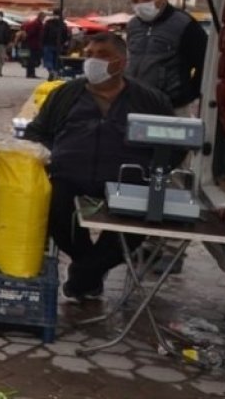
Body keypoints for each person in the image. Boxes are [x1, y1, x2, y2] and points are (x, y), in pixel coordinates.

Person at [23, 33, 174, 301]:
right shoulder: (65, 94)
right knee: (57, 213)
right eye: (89, 54)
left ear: (121, 62)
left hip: (128, 180)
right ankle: (88, 271)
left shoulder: (150, 100)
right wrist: (47, 154)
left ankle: (84, 274)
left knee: (137, 223)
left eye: (102, 55)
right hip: (68, 175)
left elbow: (173, 142)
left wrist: (155, 168)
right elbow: (36, 131)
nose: (92, 61)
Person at [124, 0, 208, 114]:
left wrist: (187, 95)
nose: (141, 3)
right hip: (136, 104)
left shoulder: (184, 24)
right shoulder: (133, 26)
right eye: (135, 0)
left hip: (172, 107)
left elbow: (205, 63)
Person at [42, 9, 70, 80]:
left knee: (48, 60)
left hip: (48, 44)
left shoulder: (48, 23)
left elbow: (44, 34)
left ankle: (51, 72)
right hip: (58, 45)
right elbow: (66, 35)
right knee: (56, 60)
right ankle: (55, 73)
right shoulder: (63, 24)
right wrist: (62, 43)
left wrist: (42, 43)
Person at [21, 11, 45, 79]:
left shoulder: (38, 23)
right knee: (31, 59)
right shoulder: (35, 23)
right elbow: (30, 33)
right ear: (40, 17)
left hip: (34, 44)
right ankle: (30, 73)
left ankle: (31, 73)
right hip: (32, 44)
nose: (43, 19)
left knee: (32, 59)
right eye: (43, 17)